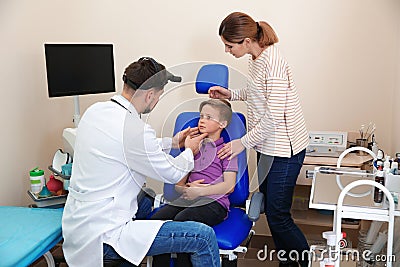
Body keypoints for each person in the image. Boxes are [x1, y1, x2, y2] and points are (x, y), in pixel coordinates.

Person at [62, 57, 221, 267]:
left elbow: (125, 144)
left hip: (78, 226)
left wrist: (172, 143)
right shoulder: (135, 130)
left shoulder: (95, 112)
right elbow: (172, 173)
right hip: (106, 235)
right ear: (149, 95)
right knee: (203, 237)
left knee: (147, 200)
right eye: (159, 97)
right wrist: (189, 152)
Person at [209, 12, 310, 267]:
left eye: (229, 45)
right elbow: (256, 93)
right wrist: (230, 94)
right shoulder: (255, 58)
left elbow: (273, 117)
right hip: (266, 146)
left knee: (278, 215)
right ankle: (288, 263)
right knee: (270, 210)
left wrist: (241, 143)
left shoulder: (273, 62)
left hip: (284, 149)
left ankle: (305, 261)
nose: (226, 50)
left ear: (245, 40)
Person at [150, 99, 238, 266]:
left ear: (222, 123)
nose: (202, 120)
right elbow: (179, 185)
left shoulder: (226, 150)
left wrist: (200, 192)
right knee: (156, 222)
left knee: (183, 223)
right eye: (201, 116)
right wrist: (185, 190)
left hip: (215, 203)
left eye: (209, 117)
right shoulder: (194, 147)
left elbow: (229, 186)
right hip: (189, 200)